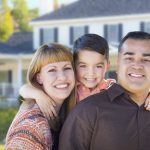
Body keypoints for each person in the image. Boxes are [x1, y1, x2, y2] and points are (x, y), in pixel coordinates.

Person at [58, 31, 150, 150]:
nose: (137, 66)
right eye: (129, 58)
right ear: (118, 64)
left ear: (107, 66)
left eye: (147, 60)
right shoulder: (85, 110)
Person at [19, 34, 115, 119]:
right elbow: (24, 89)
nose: (91, 73)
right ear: (74, 65)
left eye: (98, 66)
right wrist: (39, 96)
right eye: (83, 66)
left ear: (107, 66)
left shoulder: (111, 89)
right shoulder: (71, 87)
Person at [5, 43, 76, 150]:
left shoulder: (68, 109)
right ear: (39, 78)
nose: (62, 77)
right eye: (52, 70)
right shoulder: (31, 127)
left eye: (67, 68)